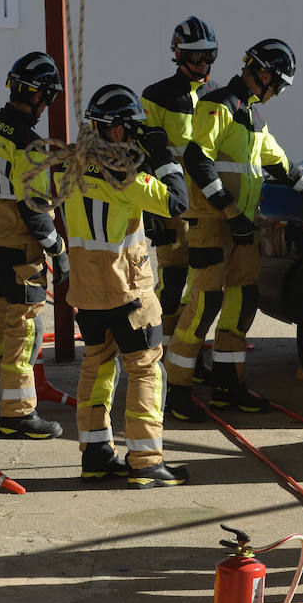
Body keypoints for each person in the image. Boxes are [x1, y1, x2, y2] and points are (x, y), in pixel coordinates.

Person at [166, 38, 303, 422]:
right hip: (214, 225)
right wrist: (230, 212)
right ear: (263, 74)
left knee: (242, 303)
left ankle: (228, 387)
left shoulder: (253, 118)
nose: (277, 93)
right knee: (204, 305)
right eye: (278, 84)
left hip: (241, 228)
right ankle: (177, 391)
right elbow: (197, 160)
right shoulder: (218, 106)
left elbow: (284, 168)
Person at [59, 84, 191, 488]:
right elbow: (177, 203)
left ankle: (96, 454)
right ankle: (146, 461)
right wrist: (163, 155)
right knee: (146, 369)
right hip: (127, 290)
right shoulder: (126, 174)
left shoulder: (72, 164)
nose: (133, 137)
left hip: (86, 290)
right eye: (131, 130)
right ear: (115, 130)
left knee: (96, 365)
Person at [0, 51, 69, 439]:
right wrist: (58, 250)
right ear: (39, 97)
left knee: (3, 320)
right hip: (19, 251)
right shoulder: (28, 142)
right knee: (25, 328)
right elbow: (35, 207)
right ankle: (17, 413)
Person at [142, 17, 218, 349]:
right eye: (194, 56)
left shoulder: (217, 97)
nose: (202, 63)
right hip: (170, 206)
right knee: (172, 282)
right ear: (178, 55)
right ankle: (158, 349)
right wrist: (150, 213)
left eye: (208, 55)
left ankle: (187, 350)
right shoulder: (157, 96)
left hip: (208, 207)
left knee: (204, 286)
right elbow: (143, 155)